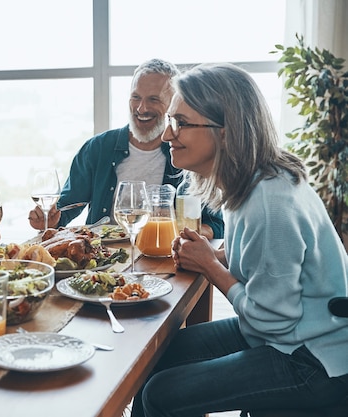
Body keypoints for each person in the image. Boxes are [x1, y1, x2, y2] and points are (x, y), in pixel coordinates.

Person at [130, 63, 348, 416]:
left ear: (227, 133)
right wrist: (215, 253)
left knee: (161, 394)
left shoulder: (271, 202)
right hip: (287, 335)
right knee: (157, 355)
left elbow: (271, 319)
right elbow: (260, 261)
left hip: (314, 359)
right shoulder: (252, 180)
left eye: (181, 123)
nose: (167, 135)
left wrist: (211, 266)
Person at [28, 58, 223, 240]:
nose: (141, 108)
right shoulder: (97, 148)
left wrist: (184, 232)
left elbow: (215, 225)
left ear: (173, 104)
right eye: (136, 97)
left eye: (154, 99)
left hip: (163, 259)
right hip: (102, 262)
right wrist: (50, 218)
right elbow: (65, 208)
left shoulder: (186, 155)